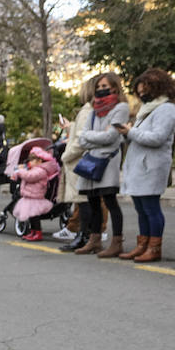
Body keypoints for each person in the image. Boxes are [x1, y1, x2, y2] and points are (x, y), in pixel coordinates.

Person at [112, 68, 175, 262]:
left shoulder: (166, 109)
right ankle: (142, 245)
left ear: (158, 88)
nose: (142, 94)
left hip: (152, 166)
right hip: (139, 166)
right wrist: (127, 133)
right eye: (139, 91)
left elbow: (158, 138)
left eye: (145, 90)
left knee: (151, 208)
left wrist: (130, 132)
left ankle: (154, 248)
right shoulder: (147, 110)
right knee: (141, 209)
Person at [73, 72, 131, 256]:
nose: (101, 90)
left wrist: (89, 137)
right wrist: (93, 137)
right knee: (92, 202)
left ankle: (116, 242)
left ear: (115, 87)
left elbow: (111, 137)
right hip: (91, 161)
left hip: (107, 160)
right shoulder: (93, 109)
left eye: (105, 87)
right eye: (98, 87)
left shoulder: (121, 107)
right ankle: (94, 240)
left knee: (110, 201)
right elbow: (82, 138)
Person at [13, 147, 60, 241]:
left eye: (32, 160)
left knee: (34, 217)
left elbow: (30, 177)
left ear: (39, 161)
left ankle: (38, 232)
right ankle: (33, 231)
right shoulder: (36, 169)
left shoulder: (41, 170)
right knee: (31, 216)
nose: (30, 162)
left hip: (35, 197)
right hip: (30, 196)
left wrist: (20, 171)